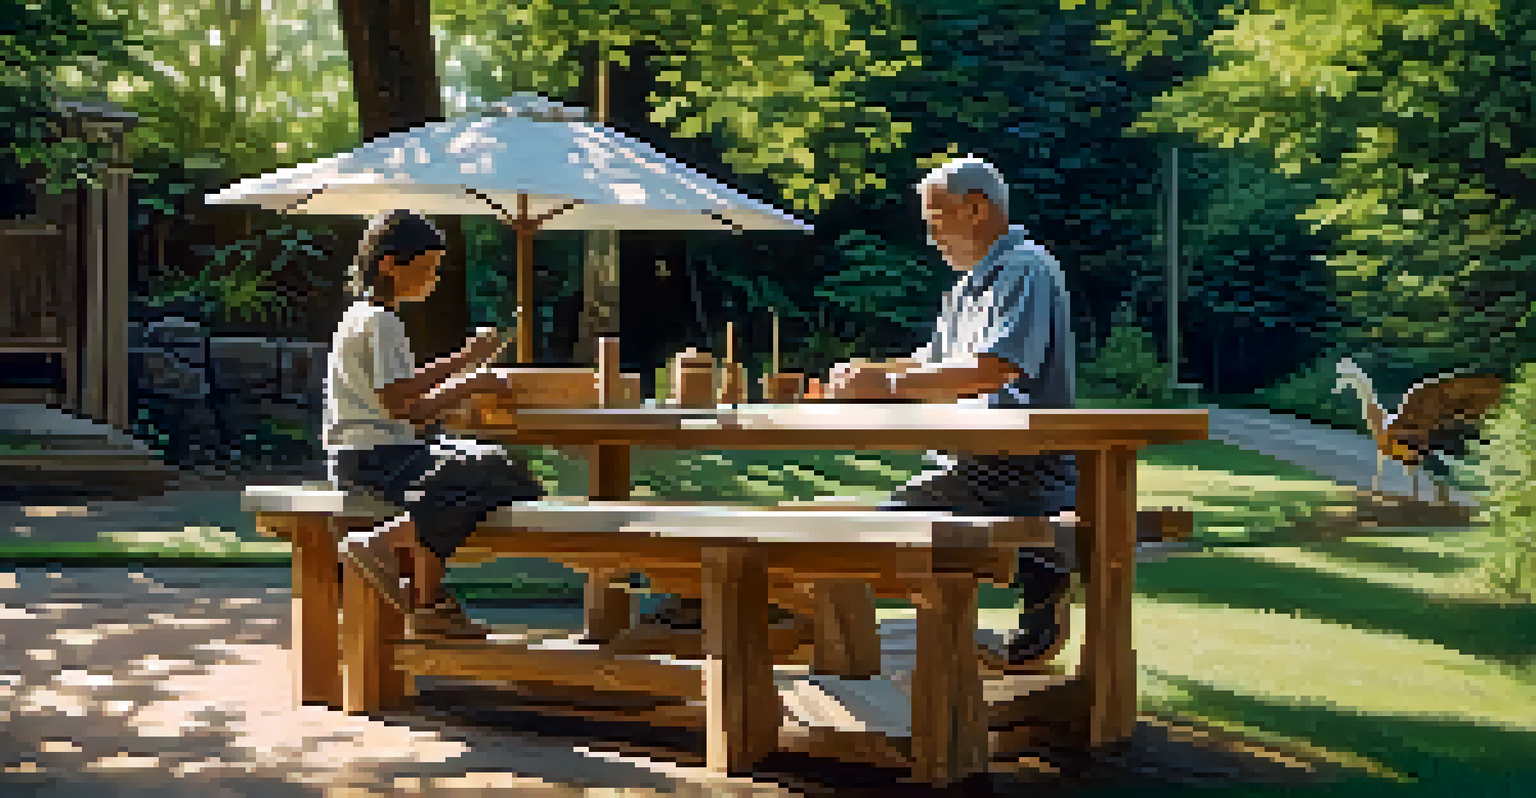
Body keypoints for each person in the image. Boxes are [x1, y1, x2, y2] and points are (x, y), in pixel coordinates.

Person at [825, 156, 1077, 668]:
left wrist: (889, 383)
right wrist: (866, 374)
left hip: (1017, 476)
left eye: (936, 217)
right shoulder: (971, 284)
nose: (930, 234)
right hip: (969, 472)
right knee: (839, 536)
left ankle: (1036, 564)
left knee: (852, 548)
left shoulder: (1025, 269)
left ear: (977, 208)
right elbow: (934, 365)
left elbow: (993, 369)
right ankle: (1034, 570)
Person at [324, 209, 545, 640]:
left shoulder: (363, 316)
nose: (432, 278)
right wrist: (471, 378)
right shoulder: (380, 321)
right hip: (375, 460)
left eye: (435, 269)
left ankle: (430, 601)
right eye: (425, 268)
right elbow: (404, 407)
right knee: (495, 470)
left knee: (491, 469)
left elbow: (404, 394)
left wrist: (465, 366)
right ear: (389, 263)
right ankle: (388, 547)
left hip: (365, 457)